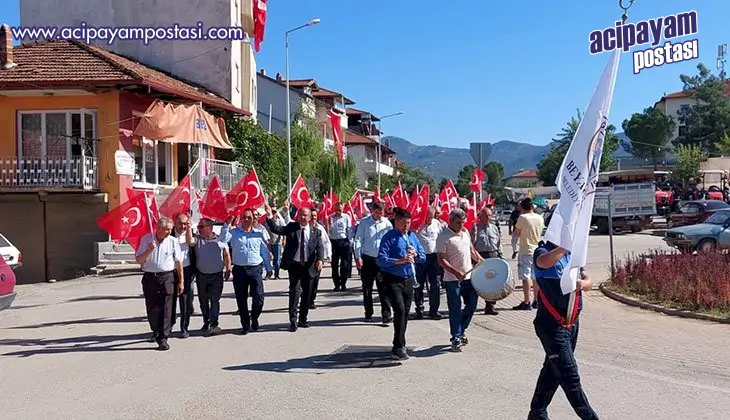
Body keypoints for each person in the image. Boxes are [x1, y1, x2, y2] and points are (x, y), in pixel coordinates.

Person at [528, 241, 598, 420]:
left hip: (572, 324)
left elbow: (589, 281)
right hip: (552, 326)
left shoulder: (573, 255)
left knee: (552, 371)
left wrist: (583, 283)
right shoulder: (543, 252)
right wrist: (565, 246)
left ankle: (537, 413)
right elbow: (544, 262)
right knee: (569, 375)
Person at [265, 205, 324, 332]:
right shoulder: (292, 227)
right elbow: (277, 229)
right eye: (301, 215)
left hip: (309, 266)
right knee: (295, 292)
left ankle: (303, 319)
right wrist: (270, 216)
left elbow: (320, 247)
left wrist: (320, 259)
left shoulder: (316, 231)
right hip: (295, 265)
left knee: (307, 294)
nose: (303, 217)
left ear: (309, 218)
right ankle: (293, 320)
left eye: (305, 215)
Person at [377, 207, 426, 360]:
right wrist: (399, 260)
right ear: (396, 221)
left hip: (409, 279)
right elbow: (381, 260)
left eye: (409, 223)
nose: (406, 226)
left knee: (405, 312)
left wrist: (416, 255)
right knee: (399, 310)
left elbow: (423, 256)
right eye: (404, 223)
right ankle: (400, 345)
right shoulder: (389, 237)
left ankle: (398, 342)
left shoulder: (412, 236)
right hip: (393, 279)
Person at [437, 208, 483, 352]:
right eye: (458, 223)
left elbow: (472, 251)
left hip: (469, 278)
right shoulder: (443, 237)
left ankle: (461, 329)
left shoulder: (465, 233)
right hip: (452, 279)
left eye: (463, 222)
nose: (461, 225)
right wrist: (456, 272)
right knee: (455, 309)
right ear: (450, 221)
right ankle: (456, 337)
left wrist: (483, 261)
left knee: (472, 305)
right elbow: (441, 260)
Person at [135, 217, 184, 351]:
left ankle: (163, 337)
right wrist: (149, 250)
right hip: (150, 277)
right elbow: (139, 260)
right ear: (158, 228)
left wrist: (181, 281)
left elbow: (179, 262)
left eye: (170, 229)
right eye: (166, 229)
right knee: (152, 307)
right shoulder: (147, 239)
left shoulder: (173, 241)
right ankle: (156, 330)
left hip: (167, 277)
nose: (169, 232)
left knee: (167, 307)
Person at [221, 209, 272, 334]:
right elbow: (222, 240)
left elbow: (264, 252)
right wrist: (227, 224)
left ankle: (254, 318)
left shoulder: (258, 234)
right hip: (240, 270)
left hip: (255, 269)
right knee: (241, 298)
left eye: (249, 217)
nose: (247, 220)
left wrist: (269, 268)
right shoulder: (234, 233)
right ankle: (245, 324)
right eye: (244, 217)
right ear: (241, 219)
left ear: (253, 219)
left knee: (259, 297)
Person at [187, 217, 230, 336]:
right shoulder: (197, 239)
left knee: (214, 300)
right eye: (199, 227)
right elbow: (190, 241)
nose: (199, 229)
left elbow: (226, 254)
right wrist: (189, 227)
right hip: (202, 276)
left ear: (210, 227)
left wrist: (228, 268)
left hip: (216, 275)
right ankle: (206, 321)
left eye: (201, 227)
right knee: (203, 301)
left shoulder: (219, 239)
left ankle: (214, 324)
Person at [353, 201, 393, 324]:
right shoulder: (365, 223)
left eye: (381, 212)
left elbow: (390, 241)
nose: (379, 215)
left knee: (384, 288)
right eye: (377, 212)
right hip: (367, 259)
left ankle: (386, 314)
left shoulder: (387, 224)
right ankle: (368, 313)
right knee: (367, 288)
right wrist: (358, 256)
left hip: (381, 260)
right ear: (372, 211)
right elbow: (358, 240)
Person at [513, 198, 544, 310]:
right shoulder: (540, 217)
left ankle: (527, 301)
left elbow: (516, 233)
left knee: (525, 276)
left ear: (522, 207)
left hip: (525, 249)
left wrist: (514, 248)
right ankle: (536, 300)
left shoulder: (522, 218)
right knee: (535, 276)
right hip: (537, 250)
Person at [414, 206, 444, 320]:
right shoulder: (417, 224)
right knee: (418, 284)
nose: (429, 220)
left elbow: (442, 237)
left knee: (435, 284)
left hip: (434, 257)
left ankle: (434, 311)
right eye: (428, 218)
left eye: (431, 217)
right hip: (421, 258)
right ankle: (419, 310)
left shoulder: (437, 224)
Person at [472, 207, 503, 316]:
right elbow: (471, 245)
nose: (488, 218)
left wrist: (500, 255)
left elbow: (499, 242)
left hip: (493, 255)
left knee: (492, 283)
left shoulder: (494, 228)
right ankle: (471, 304)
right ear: (480, 217)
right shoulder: (475, 228)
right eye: (486, 215)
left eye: (490, 215)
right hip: (480, 256)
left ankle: (490, 306)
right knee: (480, 282)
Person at [171, 213, 196, 338]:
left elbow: (191, 243)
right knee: (170, 299)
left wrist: (189, 229)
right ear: (174, 223)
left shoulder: (190, 235)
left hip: (187, 271)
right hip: (170, 271)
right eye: (180, 223)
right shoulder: (168, 235)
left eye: (185, 223)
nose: (183, 226)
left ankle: (184, 328)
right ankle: (169, 324)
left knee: (185, 300)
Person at [309, 208, 331, 309]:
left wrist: (327, 255)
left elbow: (326, 242)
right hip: (306, 259)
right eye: (312, 216)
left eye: (315, 216)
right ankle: (306, 300)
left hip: (317, 259)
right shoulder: (304, 228)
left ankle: (311, 300)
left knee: (315, 281)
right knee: (307, 282)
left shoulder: (320, 228)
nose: (313, 218)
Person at [328, 202, 353, 291]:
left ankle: (343, 283)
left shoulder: (346, 217)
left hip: (344, 242)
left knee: (345, 264)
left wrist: (350, 242)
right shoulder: (330, 217)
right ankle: (336, 284)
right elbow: (328, 231)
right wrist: (328, 225)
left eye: (340, 209)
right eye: (337, 209)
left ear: (342, 209)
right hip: (334, 242)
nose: (338, 211)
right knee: (334, 264)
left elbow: (349, 230)